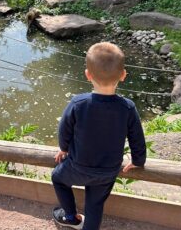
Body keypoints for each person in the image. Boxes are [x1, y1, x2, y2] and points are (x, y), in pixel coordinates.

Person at [51, 42, 146, 230]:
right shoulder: (127, 107)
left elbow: (65, 129)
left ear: (88, 74)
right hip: (107, 171)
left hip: (78, 167)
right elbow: (137, 137)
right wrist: (138, 160)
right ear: (123, 75)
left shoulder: (79, 103)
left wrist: (63, 148)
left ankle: (70, 216)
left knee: (57, 178)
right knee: (95, 205)